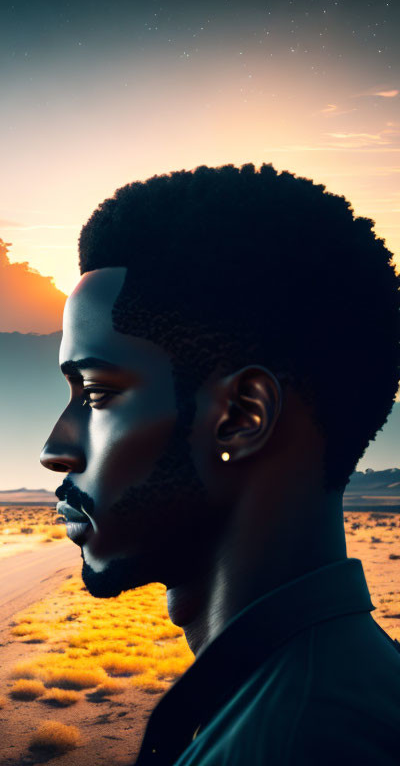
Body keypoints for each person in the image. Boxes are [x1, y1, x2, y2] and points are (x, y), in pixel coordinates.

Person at [39, 163, 400, 765]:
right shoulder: (301, 697)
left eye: (97, 396)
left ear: (241, 416)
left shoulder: (308, 743)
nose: (56, 449)